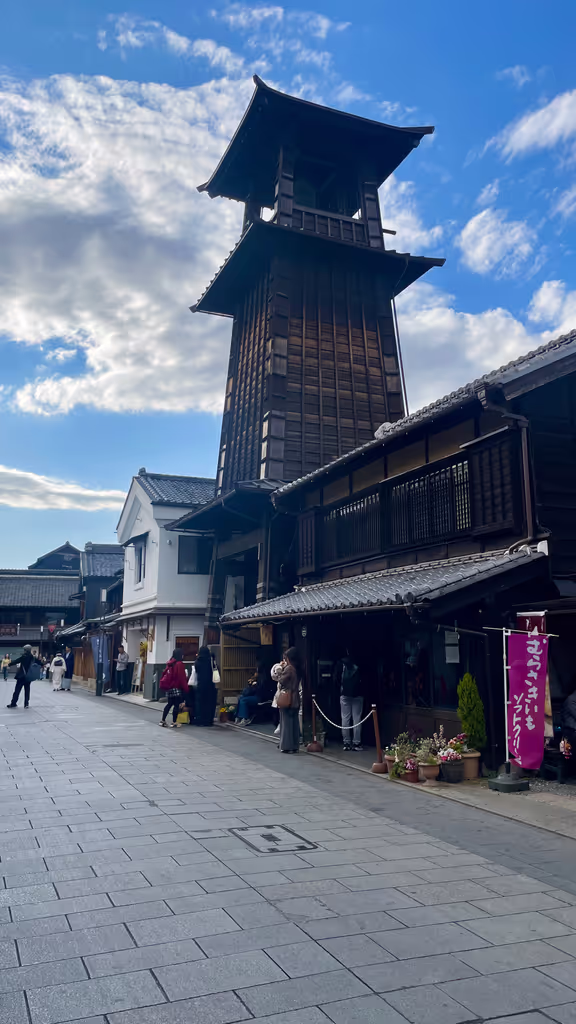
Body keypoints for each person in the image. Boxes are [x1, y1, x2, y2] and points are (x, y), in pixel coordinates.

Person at [334, 654, 364, 751]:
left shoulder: (340, 664)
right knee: (357, 718)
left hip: (344, 694)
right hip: (358, 694)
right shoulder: (359, 663)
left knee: (345, 718)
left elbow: (336, 679)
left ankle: (346, 743)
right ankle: (357, 743)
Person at [277, 647, 302, 754]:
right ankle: (294, 745)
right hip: (295, 698)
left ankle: (287, 746)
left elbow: (281, 681)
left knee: (286, 722)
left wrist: (280, 670)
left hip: (287, 697)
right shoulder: (297, 668)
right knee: (294, 723)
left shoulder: (289, 669)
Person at [159, 648, 189, 728]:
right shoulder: (179, 664)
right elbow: (181, 678)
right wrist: (186, 688)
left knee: (169, 704)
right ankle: (174, 722)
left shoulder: (170, 663)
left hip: (169, 687)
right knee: (177, 705)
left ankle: (162, 720)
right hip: (176, 687)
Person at [194, 646, 217, 726]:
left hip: (200, 685)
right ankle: (209, 720)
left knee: (200, 703)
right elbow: (216, 670)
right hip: (210, 685)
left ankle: (200, 719)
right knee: (210, 703)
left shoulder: (197, 662)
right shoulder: (210, 661)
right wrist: (213, 658)